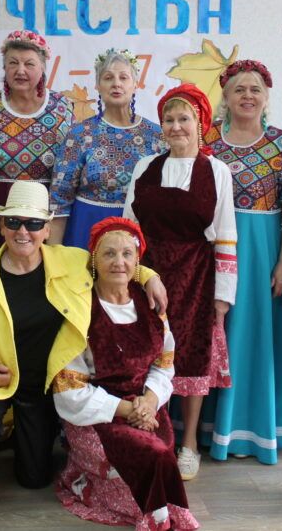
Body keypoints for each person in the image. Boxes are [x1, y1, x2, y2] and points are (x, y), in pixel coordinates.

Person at [0, 181, 167, 529]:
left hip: (45, 384)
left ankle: (29, 442)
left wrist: (150, 276)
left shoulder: (73, 261)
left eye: (33, 224)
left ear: (48, 229)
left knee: (34, 478)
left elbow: (116, 262)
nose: (23, 232)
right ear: (1, 226)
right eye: (14, 222)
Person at [124, 83, 238, 482]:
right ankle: (151, 433)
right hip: (148, 273)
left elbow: (225, 236)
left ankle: (189, 443)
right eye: (169, 119)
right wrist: (132, 276)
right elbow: (128, 230)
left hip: (197, 277)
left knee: (191, 355)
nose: (175, 127)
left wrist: (222, 297)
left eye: (184, 119)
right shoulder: (145, 167)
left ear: (200, 123)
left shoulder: (216, 171)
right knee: (146, 354)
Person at [54, 217, 197, 531]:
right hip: (97, 412)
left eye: (127, 254)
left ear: (137, 262)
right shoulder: (81, 310)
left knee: (159, 451)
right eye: (109, 253)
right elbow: (68, 388)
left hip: (145, 406)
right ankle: (154, 514)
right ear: (94, 259)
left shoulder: (150, 305)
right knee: (153, 454)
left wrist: (149, 401)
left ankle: (157, 508)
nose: (119, 262)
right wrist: (129, 409)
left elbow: (164, 364)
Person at [199, 59, 282, 464]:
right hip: (214, 247)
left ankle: (256, 430)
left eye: (255, 89)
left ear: (266, 96)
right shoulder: (207, 139)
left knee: (258, 336)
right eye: (239, 89)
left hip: (262, 251)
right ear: (225, 95)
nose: (247, 96)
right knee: (216, 334)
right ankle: (209, 427)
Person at [48, 48, 164, 248]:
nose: (116, 83)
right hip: (86, 229)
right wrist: (53, 256)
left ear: (135, 85)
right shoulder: (79, 134)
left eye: (123, 77)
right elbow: (60, 199)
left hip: (139, 234)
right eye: (108, 78)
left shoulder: (156, 136)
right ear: (98, 86)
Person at [0, 30, 74, 213]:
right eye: (13, 63)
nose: (20, 70)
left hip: (46, 208)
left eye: (29, 64)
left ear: (42, 68)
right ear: (4, 67)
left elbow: (70, 165)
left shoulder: (62, 107)